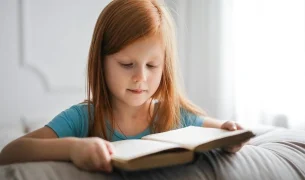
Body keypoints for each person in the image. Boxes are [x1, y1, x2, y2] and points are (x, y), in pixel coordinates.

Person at [0, 0, 246, 173]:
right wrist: (73, 148)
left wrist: (229, 132)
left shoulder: (170, 114)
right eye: (127, 64)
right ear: (102, 62)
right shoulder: (83, 118)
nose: (140, 77)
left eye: (152, 65)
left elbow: (220, 129)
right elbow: (10, 152)